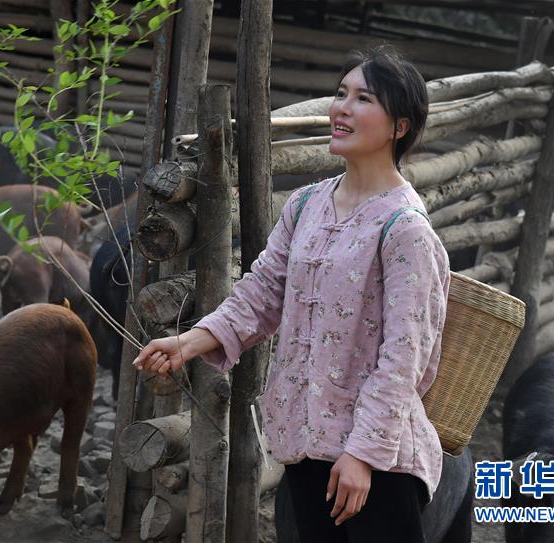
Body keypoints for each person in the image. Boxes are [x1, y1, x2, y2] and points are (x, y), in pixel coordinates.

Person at [133, 45, 450, 543]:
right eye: (341, 93)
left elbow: (406, 357)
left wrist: (363, 455)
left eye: (363, 98)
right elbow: (261, 292)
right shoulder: (306, 205)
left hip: (379, 462)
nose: (341, 108)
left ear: (399, 127)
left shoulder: (404, 228)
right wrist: (190, 342)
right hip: (306, 444)